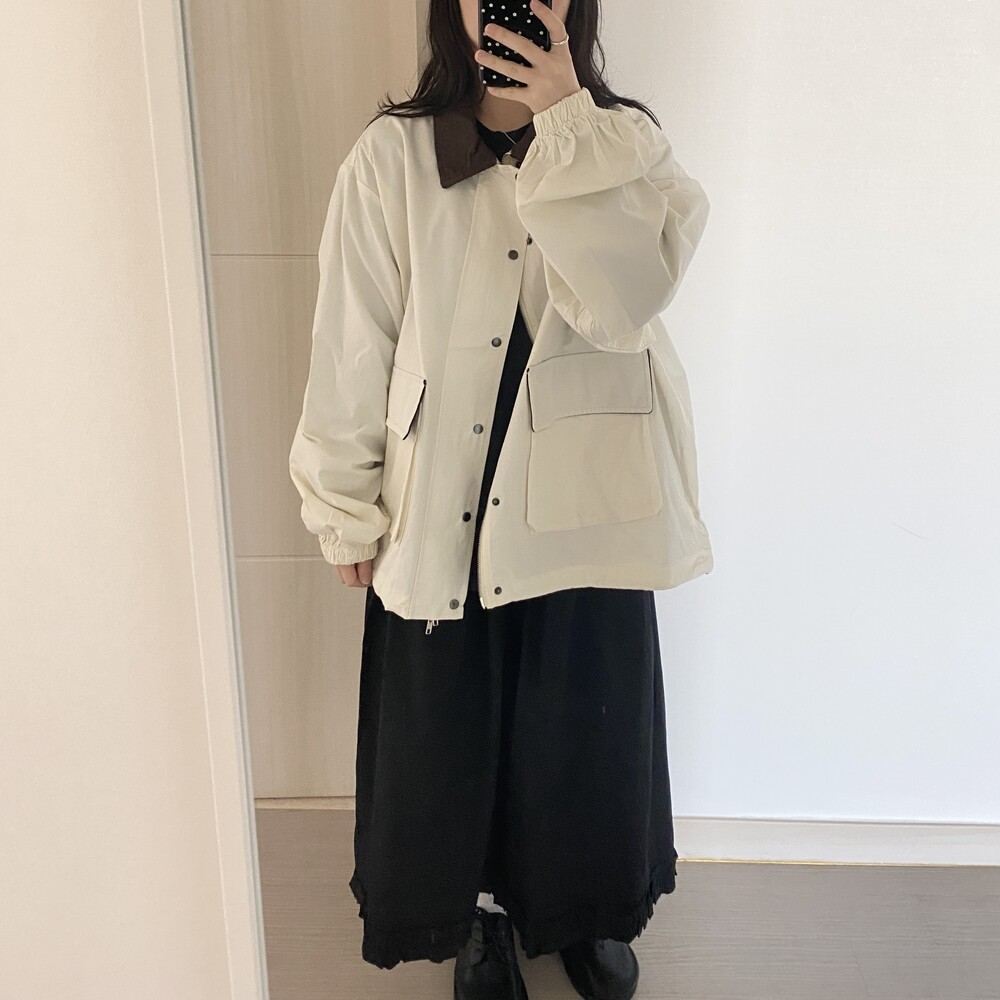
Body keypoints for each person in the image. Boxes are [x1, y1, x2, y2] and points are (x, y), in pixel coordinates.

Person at [288, 1, 713, 997]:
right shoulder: (391, 157)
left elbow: (626, 299)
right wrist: (342, 505)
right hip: (448, 489)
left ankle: (584, 907)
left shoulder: (626, 142)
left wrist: (567, 123)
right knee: (452, 725)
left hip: (588, 491)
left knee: (584, 717)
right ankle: (477, 916)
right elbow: (353, 338)